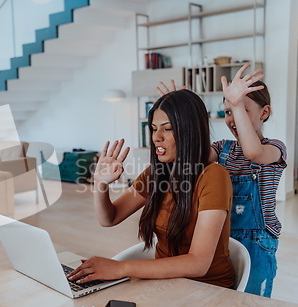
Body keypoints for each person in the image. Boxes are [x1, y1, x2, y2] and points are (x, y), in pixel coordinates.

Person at [67, 90, 236, 289]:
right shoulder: (155, 174)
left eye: (168, 128)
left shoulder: (214, 176)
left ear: (190, 131)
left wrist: (121, 268)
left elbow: (198, 263)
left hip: (208, 289)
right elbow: (109, 218)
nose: (157, 137)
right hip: (165, 284)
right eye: (154, 129)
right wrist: (101, 183)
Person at [157, 64, 287, 298]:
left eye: (241, 110)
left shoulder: (275, 148)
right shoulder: (222, 149)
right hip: (220, 237)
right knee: (224, 301)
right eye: (227, 111)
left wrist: (235, 104)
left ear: (264, 113)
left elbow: (253, 152)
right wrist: (182, 113)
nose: (233, 118)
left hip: (257, 244)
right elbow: (191, 152)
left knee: (253, 305)